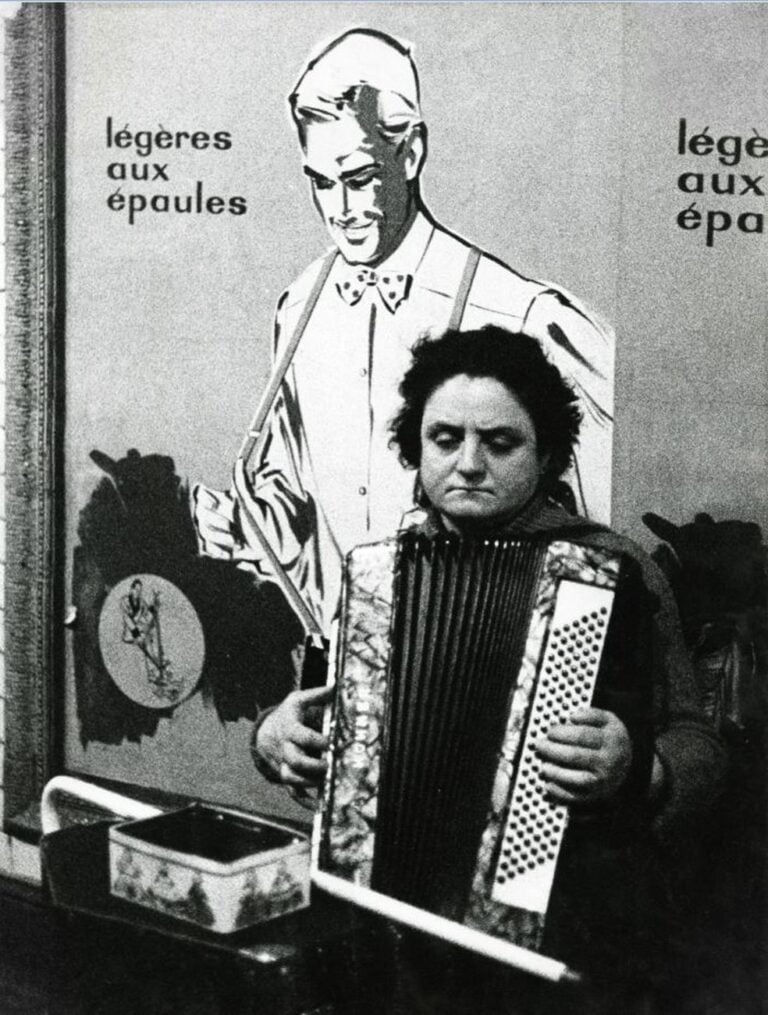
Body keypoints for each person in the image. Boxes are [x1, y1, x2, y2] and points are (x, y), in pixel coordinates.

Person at [254, 325, 726, 1000]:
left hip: (559, 926)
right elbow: (316, 736)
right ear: (415, 448)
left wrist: (642, 767)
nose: (469, 462)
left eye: (500, 442)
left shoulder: (613, 570)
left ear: (547, 455)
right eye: (445, 438)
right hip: (392, 917)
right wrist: (272, 738)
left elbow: (702, 748)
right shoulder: (376, 573)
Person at [193, 28, 614, 632]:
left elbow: (596, 543)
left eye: (360, 177)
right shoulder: (298, 308)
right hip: (344, 671)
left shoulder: (523, 314)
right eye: (321, 181)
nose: (341, 208)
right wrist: (249, 526)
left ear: (410, 153)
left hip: (496, 664)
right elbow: (302, 509)